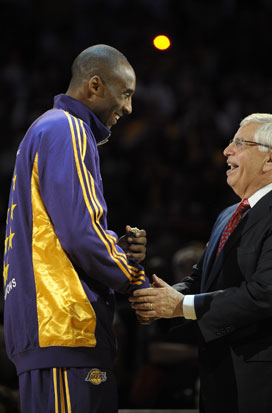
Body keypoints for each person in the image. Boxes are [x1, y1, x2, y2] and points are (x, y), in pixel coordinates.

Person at [3, 44, 150, 413]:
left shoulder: (45, 129)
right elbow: (80, 234)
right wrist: (134, 278)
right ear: (95, 85)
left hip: (46, 325)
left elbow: (59, 231)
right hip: (64, 325)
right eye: (126, 93)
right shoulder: (68, 128)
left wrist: (116, 244)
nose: (129, 108)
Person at [130, 113, 272, 413]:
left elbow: (266, 294)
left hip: (264, 383)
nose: (226, 151)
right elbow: (199, 282)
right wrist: (156, 300)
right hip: (216, 377)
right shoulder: (228, 215)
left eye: (240, 143)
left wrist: (180, 305)